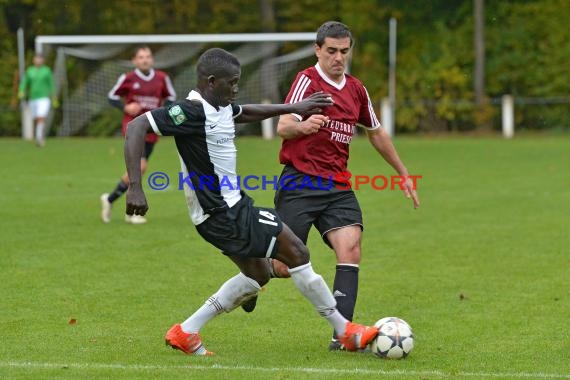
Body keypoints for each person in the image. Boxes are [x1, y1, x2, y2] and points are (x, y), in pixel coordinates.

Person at [124, 47, 379, 356]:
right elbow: (137, 126)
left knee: (258, 275)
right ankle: (346, 331)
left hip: (227, 210)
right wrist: (135, 187)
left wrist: (296, 105)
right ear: (211, 81)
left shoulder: (220, 106)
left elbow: (247, 112)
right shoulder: (191, 111)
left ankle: (185, 332)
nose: (235, 89)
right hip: (222, 212)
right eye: (231, 83)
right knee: (297, 251)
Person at [244, 21, 421, 351]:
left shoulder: (356, 89)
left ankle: (343, 336)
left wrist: (403, 172)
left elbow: (376, 132)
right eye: (331, 51)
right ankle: (256, 274)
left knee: (351, 246)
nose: (338, 58)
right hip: (300, 182)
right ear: (317, 50)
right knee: (283, 266)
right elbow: (283, 125)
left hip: (337, 185)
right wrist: (305, 125)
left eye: (344, 51)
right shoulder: (307, 82)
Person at [100, 45, 176, 224]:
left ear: (152, 59)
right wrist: (125, 107)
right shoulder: (128, 78)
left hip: (152, 129)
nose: (145, 60)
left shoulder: (162, 78)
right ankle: (132, 211)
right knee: (139, 167)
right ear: (134, 61)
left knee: (138, 169)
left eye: (148, 56)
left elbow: (171, 98)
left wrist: (163, 111)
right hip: (133, 127)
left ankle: (109, 199)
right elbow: (112, 97)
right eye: (141, 57)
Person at [18, 53, 57, 147]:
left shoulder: (46, 71)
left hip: (44, 98)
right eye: (36, 59)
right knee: (37, 118)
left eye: (40, 59)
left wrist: (54, 96)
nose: (38, 61)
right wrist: (21, 90)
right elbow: (24, 82)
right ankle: (40, 135)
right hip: (33, 98)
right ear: (33, 60)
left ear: (42, 60)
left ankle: (39, 137)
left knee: (41, 116)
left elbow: (51, 84)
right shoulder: (30, 71)